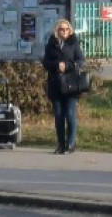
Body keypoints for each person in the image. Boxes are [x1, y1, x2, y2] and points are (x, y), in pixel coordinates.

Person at [41, 19, 85, 154]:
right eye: (62, 29)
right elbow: (45, 62)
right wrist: (56, 65)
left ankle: (71, 144)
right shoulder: (51, 44)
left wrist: (67, 66)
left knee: (70, 114)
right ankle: (61, 144)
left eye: (67, 29)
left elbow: (81, 60)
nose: (64, 32)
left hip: (71, 84)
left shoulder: (74, 43)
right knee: (59, 115)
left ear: (70, 30)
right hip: (56, 84)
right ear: (57, 30)